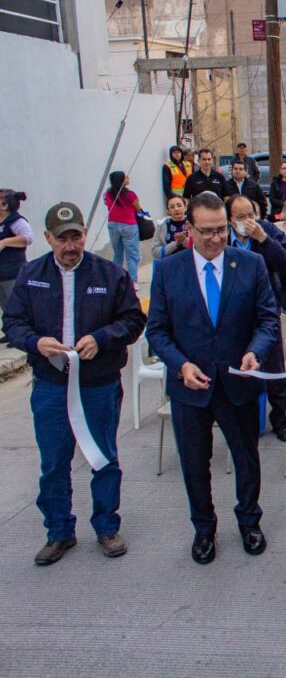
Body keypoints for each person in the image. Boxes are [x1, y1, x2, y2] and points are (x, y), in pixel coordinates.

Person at [2, 201, 145, 565]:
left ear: (85, 234)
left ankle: (106, 526)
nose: (70, 245)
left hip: (98, 385)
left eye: (77, 236)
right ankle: (59, 531)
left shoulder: (110, 274)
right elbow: (13, 323)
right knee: (53, 462)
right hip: (51, 385)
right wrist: (35, 343)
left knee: (103, 459)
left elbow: (133, 320)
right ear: (47, 238)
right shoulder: (31, 275)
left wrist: (102, 337)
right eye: (62, 238)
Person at [145, 192, 280, 565]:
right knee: (194, 463)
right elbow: (156, 331)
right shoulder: (169, 271)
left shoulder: (250, 264)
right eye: (206, 231)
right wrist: (180, 365)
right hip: (191, 386)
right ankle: (204, 530)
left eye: (221, 229)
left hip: (238, 382)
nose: (215, 238)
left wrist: (256, 350)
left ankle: (249, 521)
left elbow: (267, 320)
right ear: (189, 228)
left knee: (246, 459)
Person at [0, 190, 32, 338]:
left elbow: (27, 237)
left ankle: (21, 333)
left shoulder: (16, 221)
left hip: (12, 270)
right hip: (2, 271)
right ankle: (10, 332)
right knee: (5, 304)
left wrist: (5, 242)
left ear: (5, 205)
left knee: (16, 304)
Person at [103, 171, 144, 284]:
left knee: (118, 254)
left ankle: (117, 280)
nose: (128, 178)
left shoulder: (108, 193)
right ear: (122, 180)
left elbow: (106, 204)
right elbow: (138, 208)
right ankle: (133, 281)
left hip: (113, 225)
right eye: (125, 177)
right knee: (132, 255)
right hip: (129, 225)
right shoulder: (130, 194)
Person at [154, 195, 189, 259]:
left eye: (179, 205)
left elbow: (201, 247)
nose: (176, 209)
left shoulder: (193, 223)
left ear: (185, 207)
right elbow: (155, 252)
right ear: (168, 211)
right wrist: (175, 244)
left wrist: (184, 241)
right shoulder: (161, 225)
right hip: (170, 265)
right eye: (172, 207)